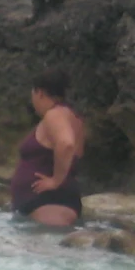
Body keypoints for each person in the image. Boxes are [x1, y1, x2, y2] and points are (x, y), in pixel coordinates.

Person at [10, 71, 84, 228]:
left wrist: (56, 180)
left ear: (40, 93)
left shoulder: (54, 115)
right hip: (53, 201)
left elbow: (66, 144)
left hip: (49, 203)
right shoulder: (74, 118)